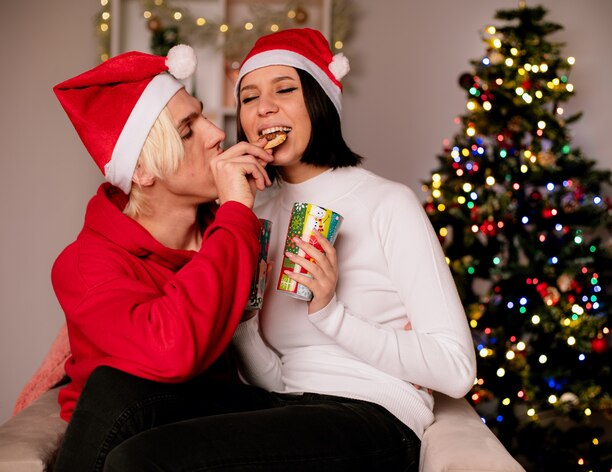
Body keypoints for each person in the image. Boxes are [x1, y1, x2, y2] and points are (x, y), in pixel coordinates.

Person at [96, 28, 477, 471]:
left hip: (371, 416)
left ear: (320, 101)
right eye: (249, 96)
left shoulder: (386, 202)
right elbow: (278, 375)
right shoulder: (252, 212)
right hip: (280, 405)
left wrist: (331, 313)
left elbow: (456, 369)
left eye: (285, 90)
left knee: (142, 461)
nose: (265, 107)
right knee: (120, 400)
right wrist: (244, 318)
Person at [50, 45, 274, 471]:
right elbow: (172, 351)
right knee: (113, 387)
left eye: (203, 116)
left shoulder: (230, 224)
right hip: (133, 428)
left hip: (216, 422)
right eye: (188, 131)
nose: (216, 134)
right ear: (141, 171)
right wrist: (235, 215)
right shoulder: (85, 265)